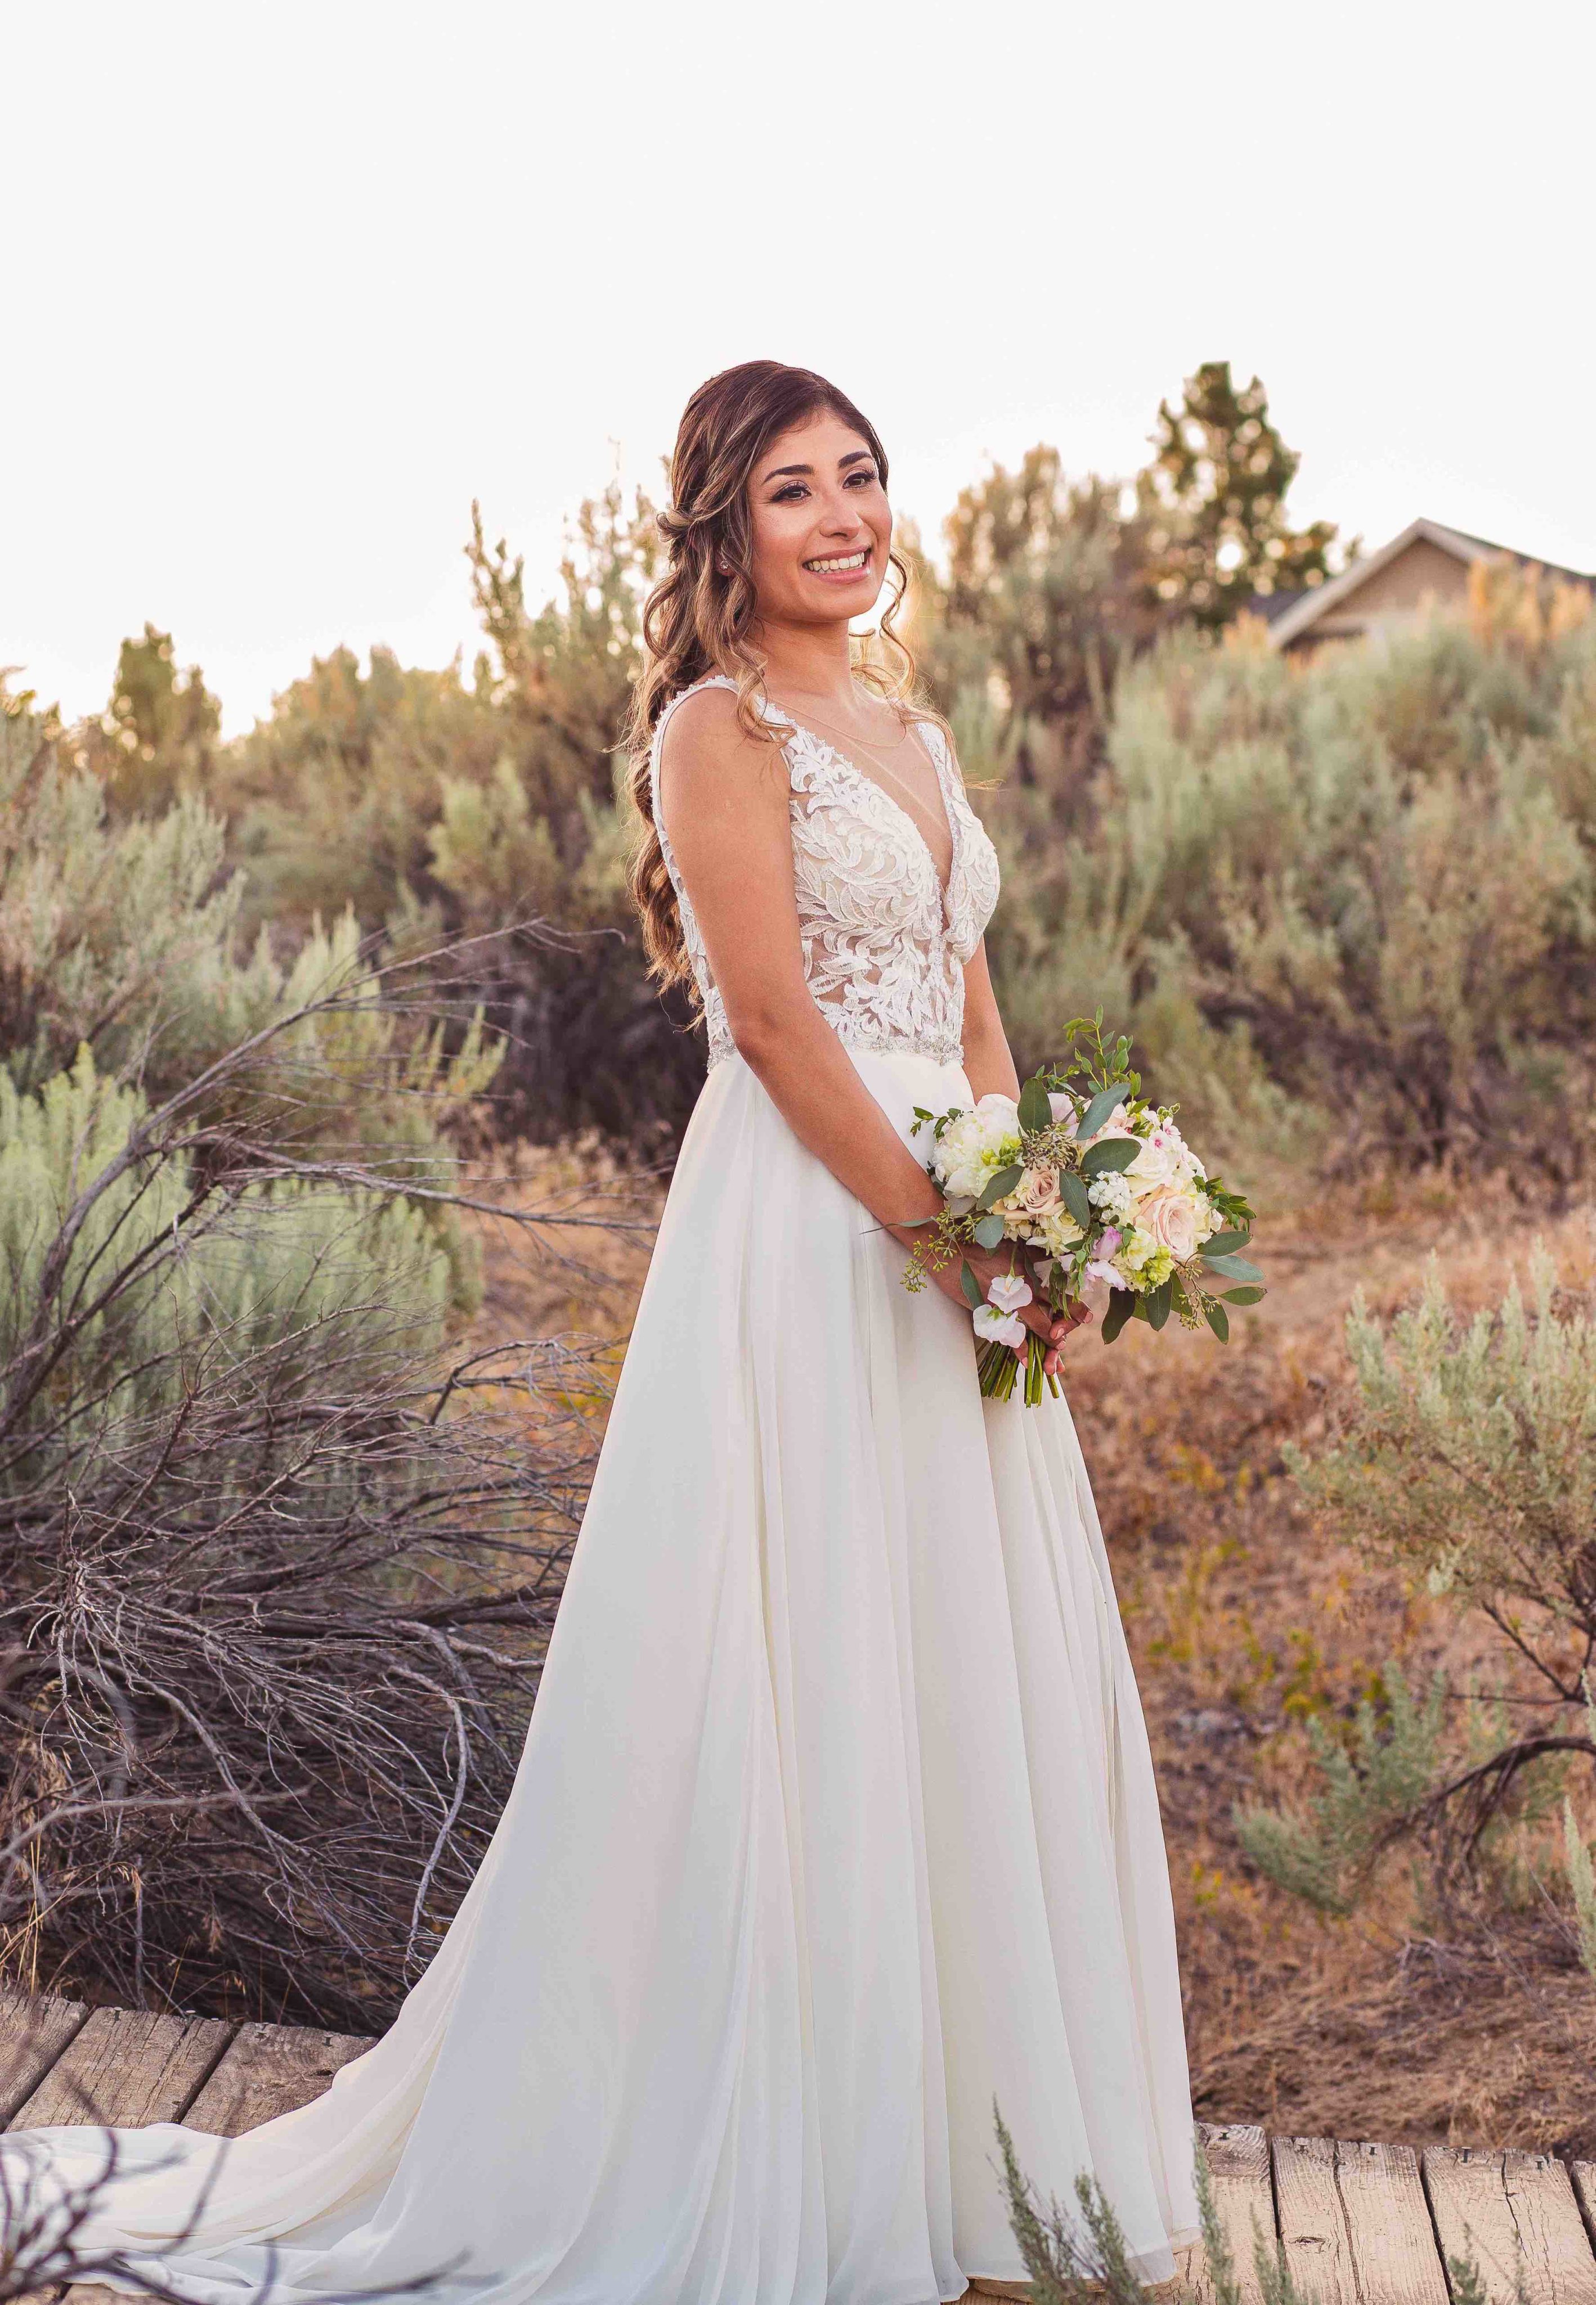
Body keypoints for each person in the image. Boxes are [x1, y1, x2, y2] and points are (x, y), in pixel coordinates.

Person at [1, 361, 1198, 2304]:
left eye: (863, 479)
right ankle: (797, 2161)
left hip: (954, 1227)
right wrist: (932, 1237)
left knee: (959, 1660)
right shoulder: (716, 732)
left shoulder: (908, 720)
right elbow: (782, 1022)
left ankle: (982, 2171)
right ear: (722, 526)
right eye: (794, 488)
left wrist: (1036, 1213)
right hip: (816, 1235)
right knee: (804, 1657)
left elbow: (969, 1007)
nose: (843, 517)